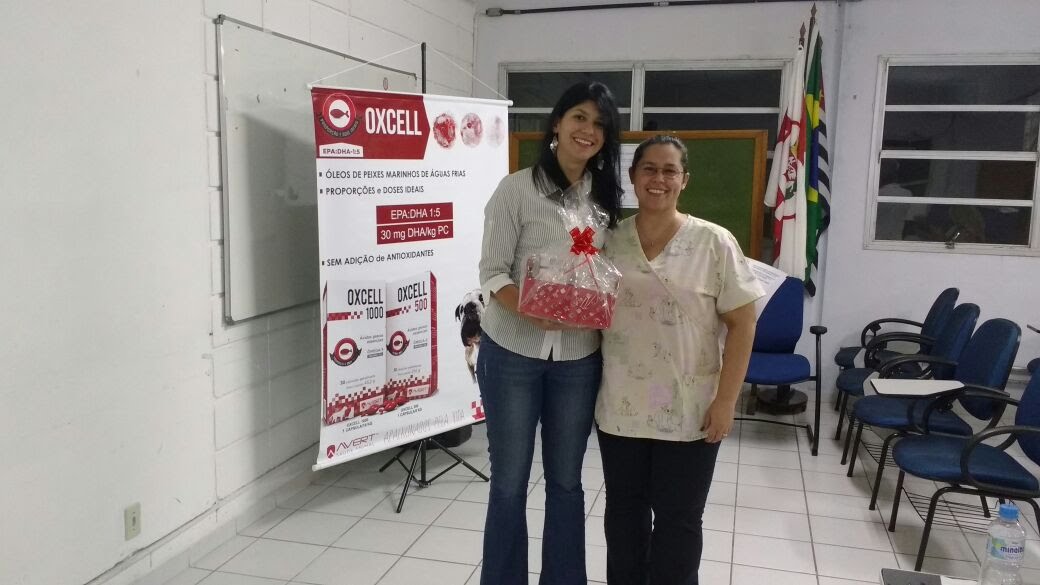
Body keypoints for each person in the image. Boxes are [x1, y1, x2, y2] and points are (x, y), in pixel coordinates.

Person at [595, 135, 763, 585]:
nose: (659, 178)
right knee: (624, 514)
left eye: (669, 170)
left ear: (684, 180)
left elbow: (743, 324)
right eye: (648, 168)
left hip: (691, 410)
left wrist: (726, 402)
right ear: (633, 177)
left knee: (679, 520)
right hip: (621, 409)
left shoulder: (713, 242)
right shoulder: (608, 241)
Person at [476, 81, 624, 585]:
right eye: (579, 117)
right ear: (557, 123)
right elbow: (492, 272)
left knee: (566, 482)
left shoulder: (604, 199)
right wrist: (530, 309)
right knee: (509, 482)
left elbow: (607, 270)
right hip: (512, 353)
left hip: (579, 358)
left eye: (600, 124)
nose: (588, 131)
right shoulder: (516, 190)